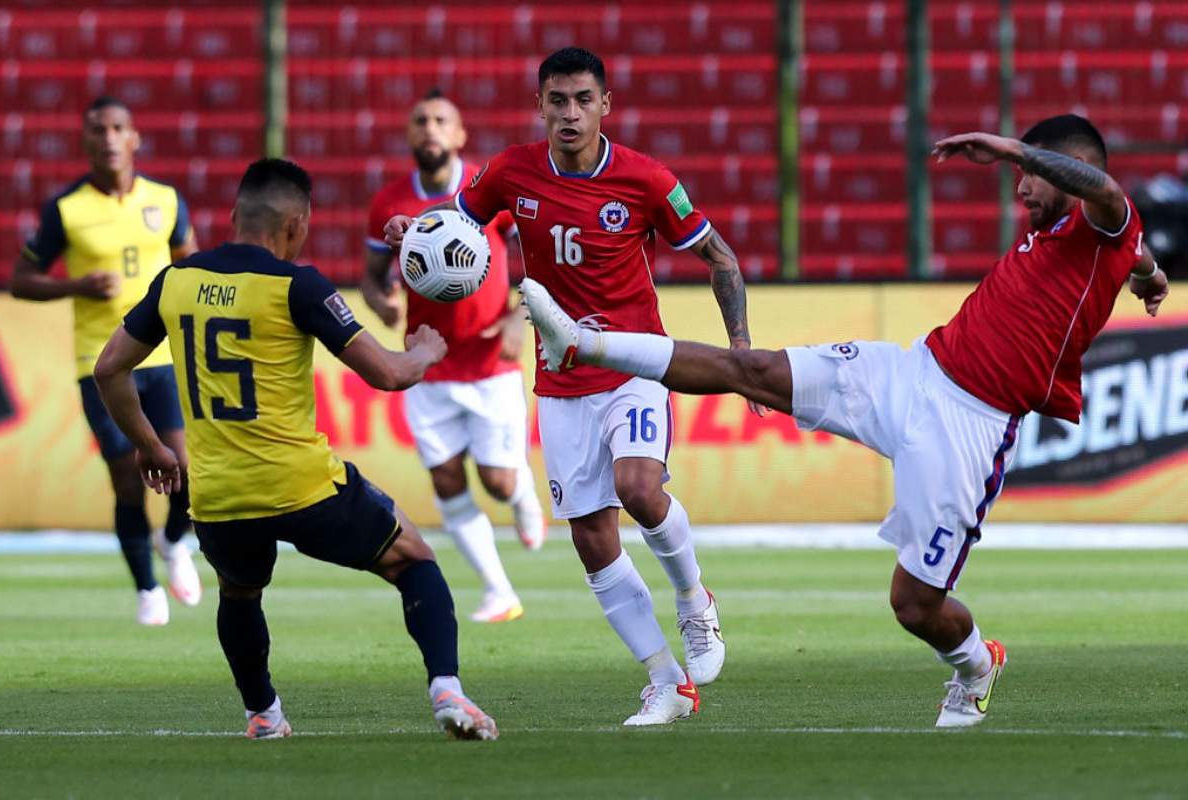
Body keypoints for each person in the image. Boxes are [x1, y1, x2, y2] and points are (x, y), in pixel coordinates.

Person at [521, 114, 1170, 729]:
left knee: (914, 606)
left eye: (1033, 177)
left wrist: (1013, 150)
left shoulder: (1105, 218)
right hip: (913, 372)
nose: (1021, 189)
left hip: (971, 427)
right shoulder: (1093, 238)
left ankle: (976, 663)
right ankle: (582, 342)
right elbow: (1133, 252)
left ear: (1069, 168)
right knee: (754, 370)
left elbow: (1110, 196)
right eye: (1021, 175)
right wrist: (1150, 273)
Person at [386, 47, 756, 726]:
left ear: (605, 105)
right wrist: (417, 231)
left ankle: (695, 600)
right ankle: (666, 682)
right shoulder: (511, 170)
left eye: (583, 100)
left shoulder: (646, 179)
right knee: (591, 536)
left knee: (639, 489)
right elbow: (457, 222)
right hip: (561, 380)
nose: (570, 113)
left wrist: (741, 350)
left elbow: (719, 256)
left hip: (637, 365)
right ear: (540, 106)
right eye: (557, 100)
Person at [92, 158, 498, 741]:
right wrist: (426, 352)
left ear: (234, 215)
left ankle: (263, 715)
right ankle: (447, 691)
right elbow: (387, 373)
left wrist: (151, 446)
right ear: (296, 224)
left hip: (220, 494)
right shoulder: (298, 285)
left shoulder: (175, 280)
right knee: (413, 560)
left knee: (239, 592)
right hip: (302, 486)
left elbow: (109, 368)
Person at [9, 95, 202, 625]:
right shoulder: (66, 209)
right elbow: (21, 281)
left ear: (135, 138)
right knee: (126, 477)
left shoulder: (166, 200)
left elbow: (190, 267)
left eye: (118, 127)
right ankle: (147, 589)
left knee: (187, 470)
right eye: (98, 129)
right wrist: (75, 285)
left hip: (162, 357)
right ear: (86, 141)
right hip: (100, 363)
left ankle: (173, 541)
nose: (109, 138)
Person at [363, 89, 546, 624]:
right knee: (445, 478)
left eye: (441, 120)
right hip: (427, 362)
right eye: (420, 120)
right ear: (409, 134)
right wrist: (381, 302)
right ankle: (498, 591)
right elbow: (371, 277)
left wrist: (517, 315)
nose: (430, 128)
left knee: (498, 482)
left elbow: (541, 259)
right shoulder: (389, 203)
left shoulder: (486, 193)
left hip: (489, 360)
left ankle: (522, 492)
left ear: (460, 134)